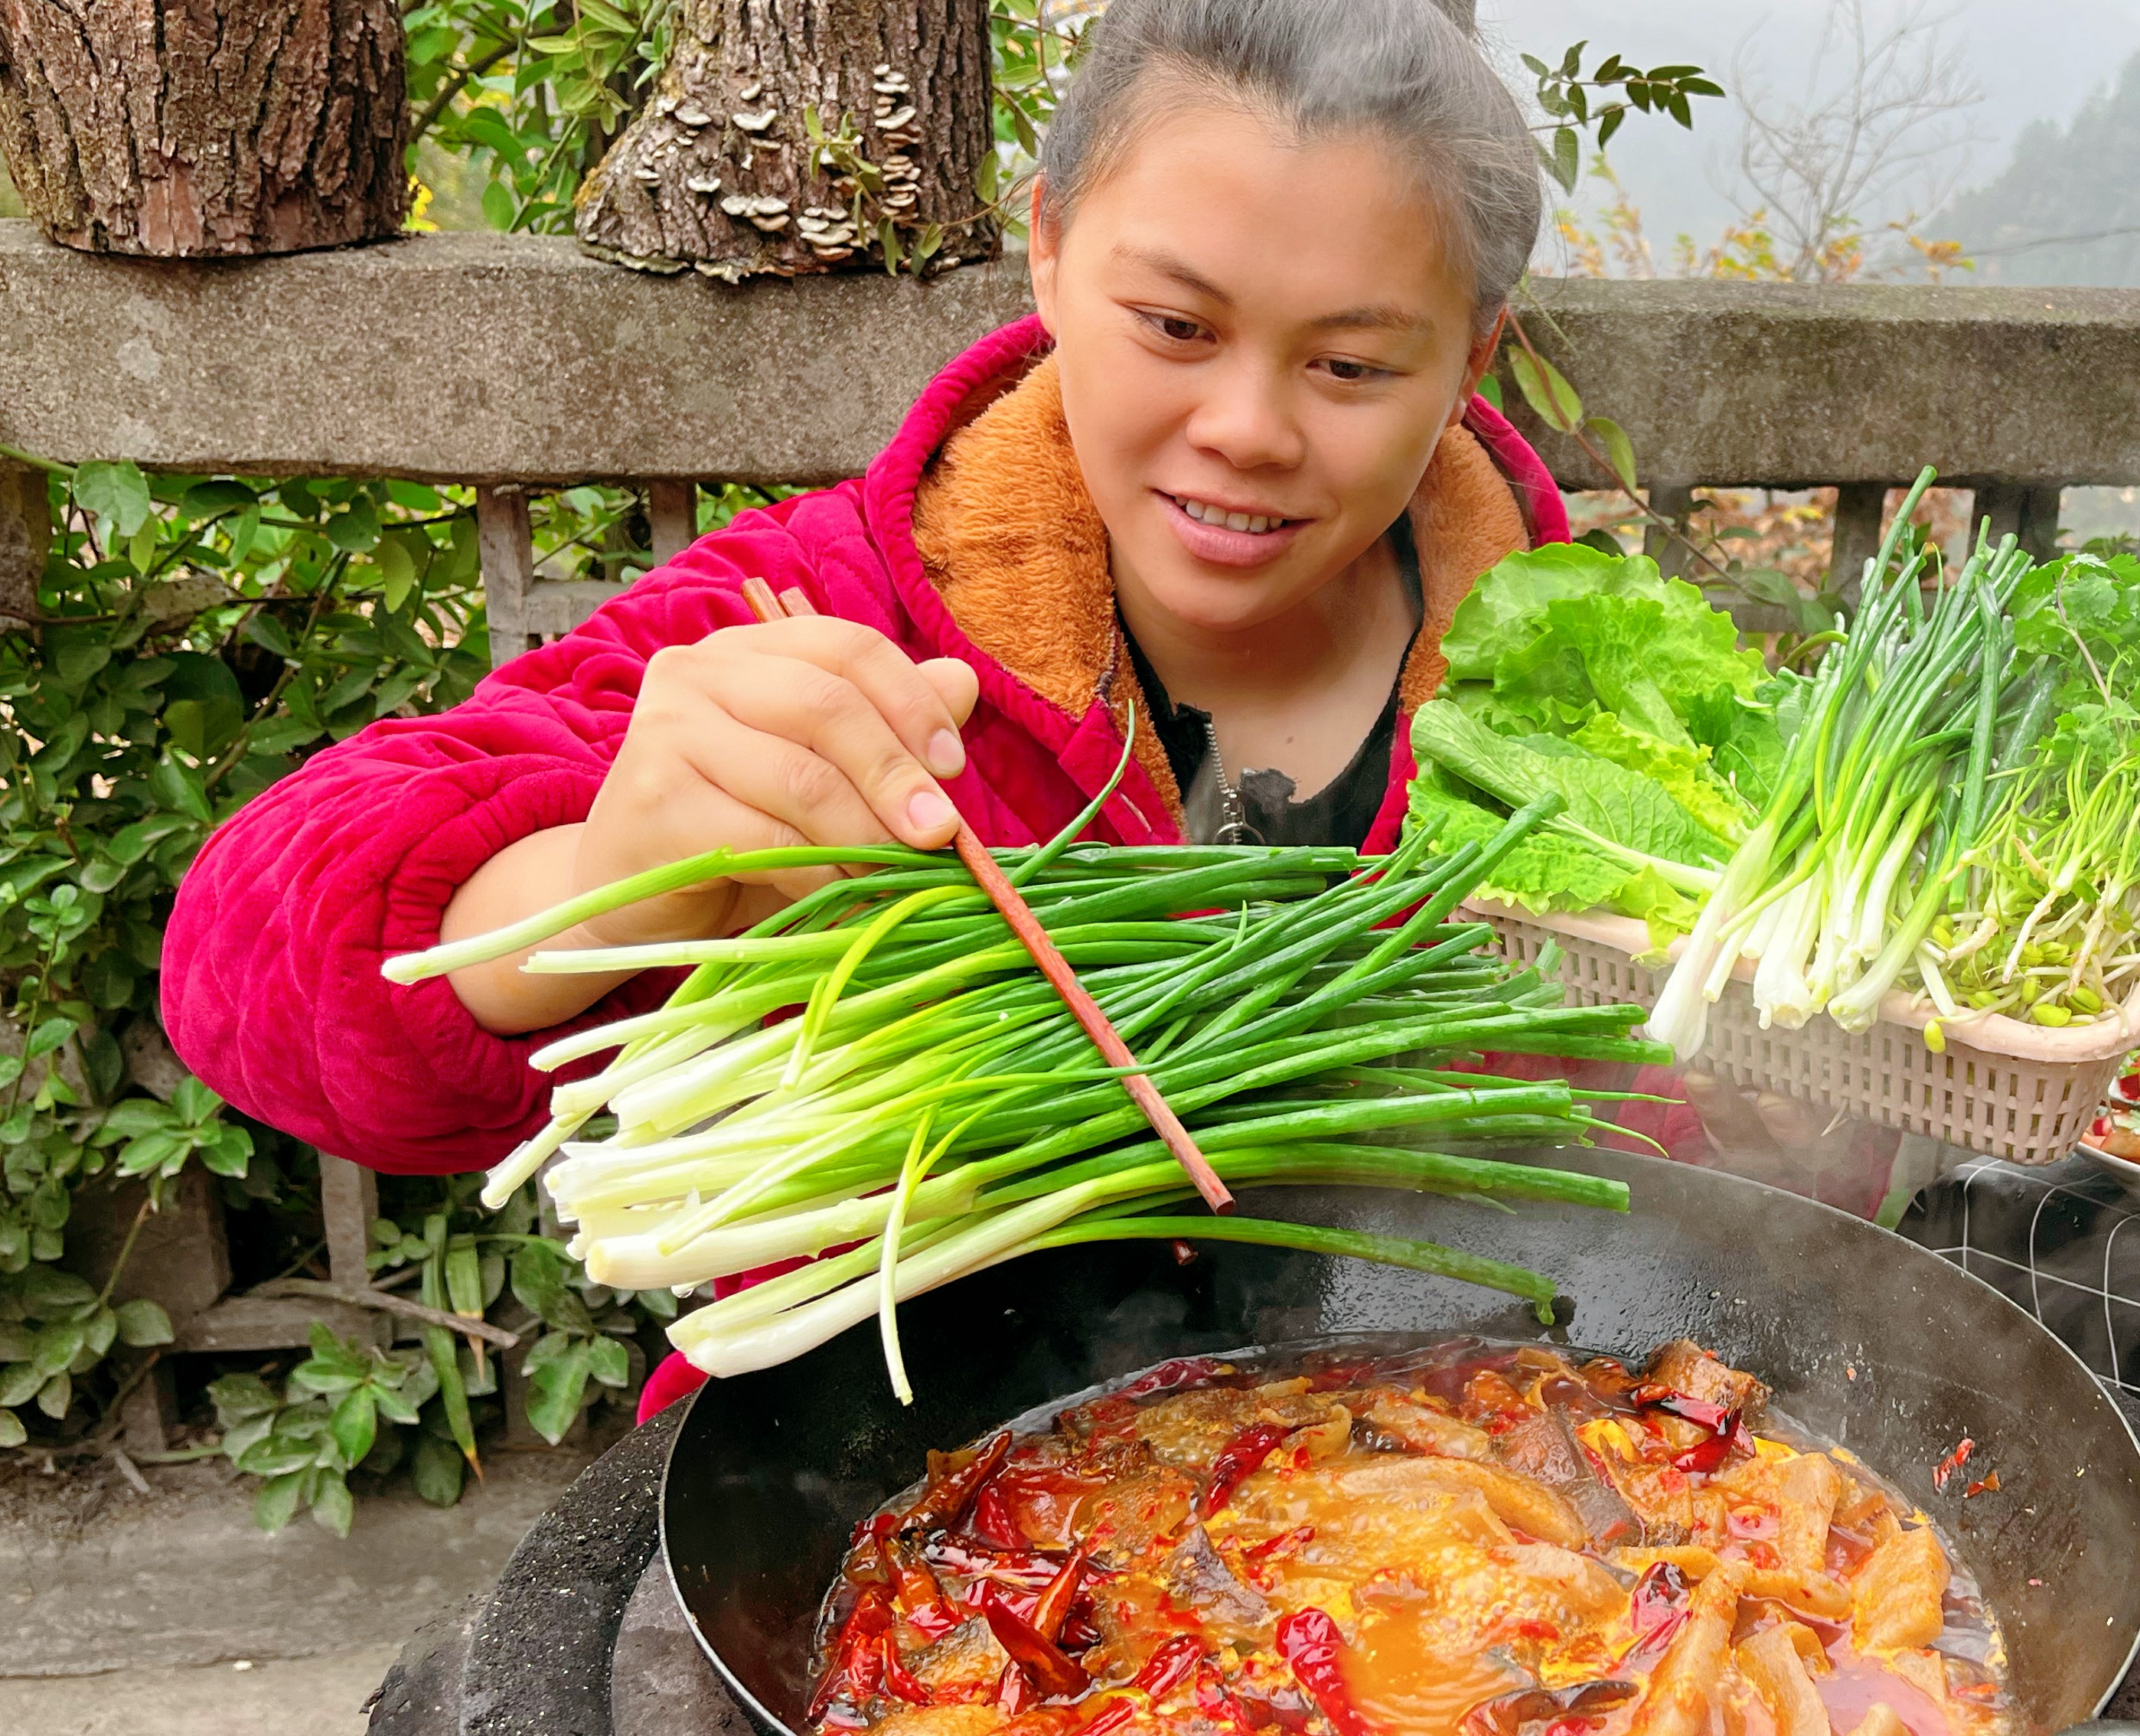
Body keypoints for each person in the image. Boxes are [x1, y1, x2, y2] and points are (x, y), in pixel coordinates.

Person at [160, 0, 1590, 1410]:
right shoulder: (832, 609)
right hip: (882, 1470)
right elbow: (245, 980)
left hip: (1444, 1444)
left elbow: (1638, 1163)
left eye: (1349, 366)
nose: (1246, 430)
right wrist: (605, 885)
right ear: (1046, 248)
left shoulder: (1577, 693)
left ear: (1470, 359)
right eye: (1173, 324)